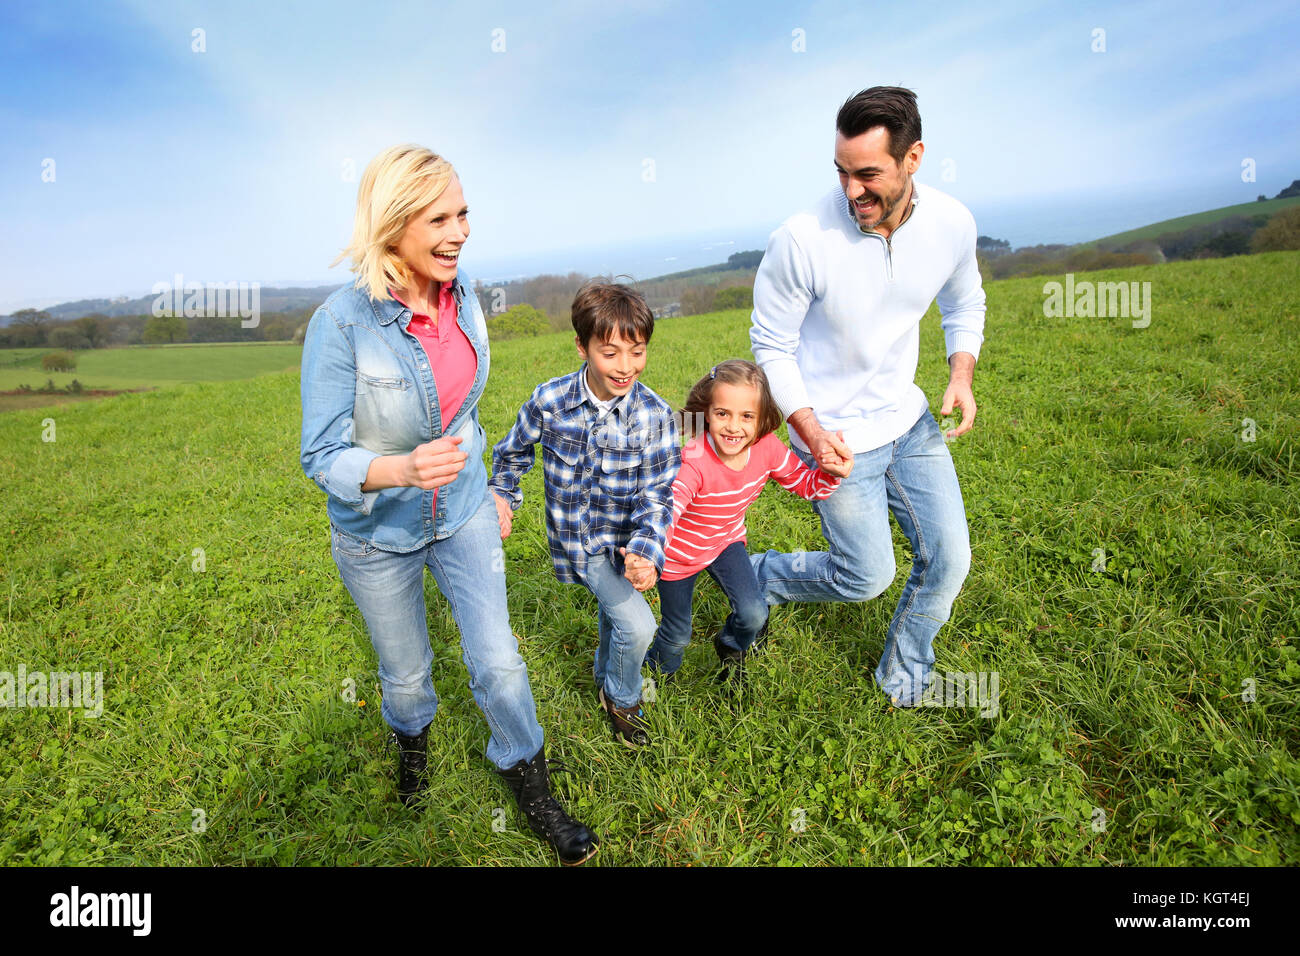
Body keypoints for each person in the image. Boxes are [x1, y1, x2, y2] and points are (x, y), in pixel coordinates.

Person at [299, 144, 598, 865]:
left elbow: (464, 412)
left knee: (497, 661)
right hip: (378, 536)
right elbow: (320, 456)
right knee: (406, 677)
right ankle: (413, 754)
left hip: (463, 514)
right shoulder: (340, 326)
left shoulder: (464, 297)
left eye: (463, 213)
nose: (460, 231)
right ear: (394, 226)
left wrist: (494, 487)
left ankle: (531, 784)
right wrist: (398, 468)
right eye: (439, 218)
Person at [749, 86, 985, 707]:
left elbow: (964, 302)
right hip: (834, 439)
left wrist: (960, 373)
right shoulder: (801, 239)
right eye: (842, 173)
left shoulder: (952, 224)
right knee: (866, 577)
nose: (851, 191)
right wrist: (809, 429)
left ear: (914, 160)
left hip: (908, 424)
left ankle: (903, 681)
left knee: (950, 561)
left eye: (868, 174)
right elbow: (771, 345)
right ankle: (762, 575)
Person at [489, 282, 680, 748]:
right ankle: (621, 696)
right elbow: (512, 453)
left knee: (618, 617)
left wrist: (645, 550)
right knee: (639, 626)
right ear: (582, 346)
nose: (626, 366)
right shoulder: (550, 402)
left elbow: (658, 493)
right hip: (581, 542)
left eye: (637, 352)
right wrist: (501, 494)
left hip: (625, 541)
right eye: (611, 352)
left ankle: (605, 673)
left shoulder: (655, 416)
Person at [644, 359, 851, 686]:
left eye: (747, 416)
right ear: (707, 413)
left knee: (754, 612)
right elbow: (671, 507)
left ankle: (730, 646)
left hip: (725, 542)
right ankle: (652, 681)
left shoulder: (767, 448)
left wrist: (831, 472)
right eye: (722, 413)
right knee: (677, 634)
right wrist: (647, 550)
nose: (733, 427)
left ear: (762, 418)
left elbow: (806, 484)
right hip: (678, 557)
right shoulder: (694, 461)